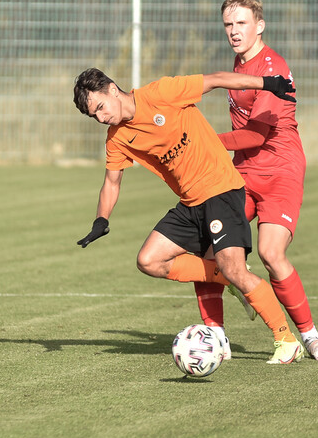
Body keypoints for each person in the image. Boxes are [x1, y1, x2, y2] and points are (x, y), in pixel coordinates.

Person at [74, 67, 305, 364]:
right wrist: (101, 220)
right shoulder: (117, 138)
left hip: (222, 189)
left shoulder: (162, 94)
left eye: (101, 108)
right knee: (149, 260)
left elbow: (217, 80)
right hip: (190, 202)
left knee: (235, 268)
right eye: (94, 116)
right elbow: (111, 182)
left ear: (112, 90)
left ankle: (287, 339)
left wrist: (267, 83)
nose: (101, 117)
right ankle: (228, 279)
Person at [193, 0, 318, 362]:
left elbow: (255, 136)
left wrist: (204, 140)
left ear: (260, 26)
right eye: (228, 24)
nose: (233, 31)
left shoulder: (272, 67)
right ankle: (215, 336)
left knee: (271, 253)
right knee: (209, 245)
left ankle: (310, 337)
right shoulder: (239, 64)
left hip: (280, 169)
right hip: (242, 171)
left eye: (241, 23)